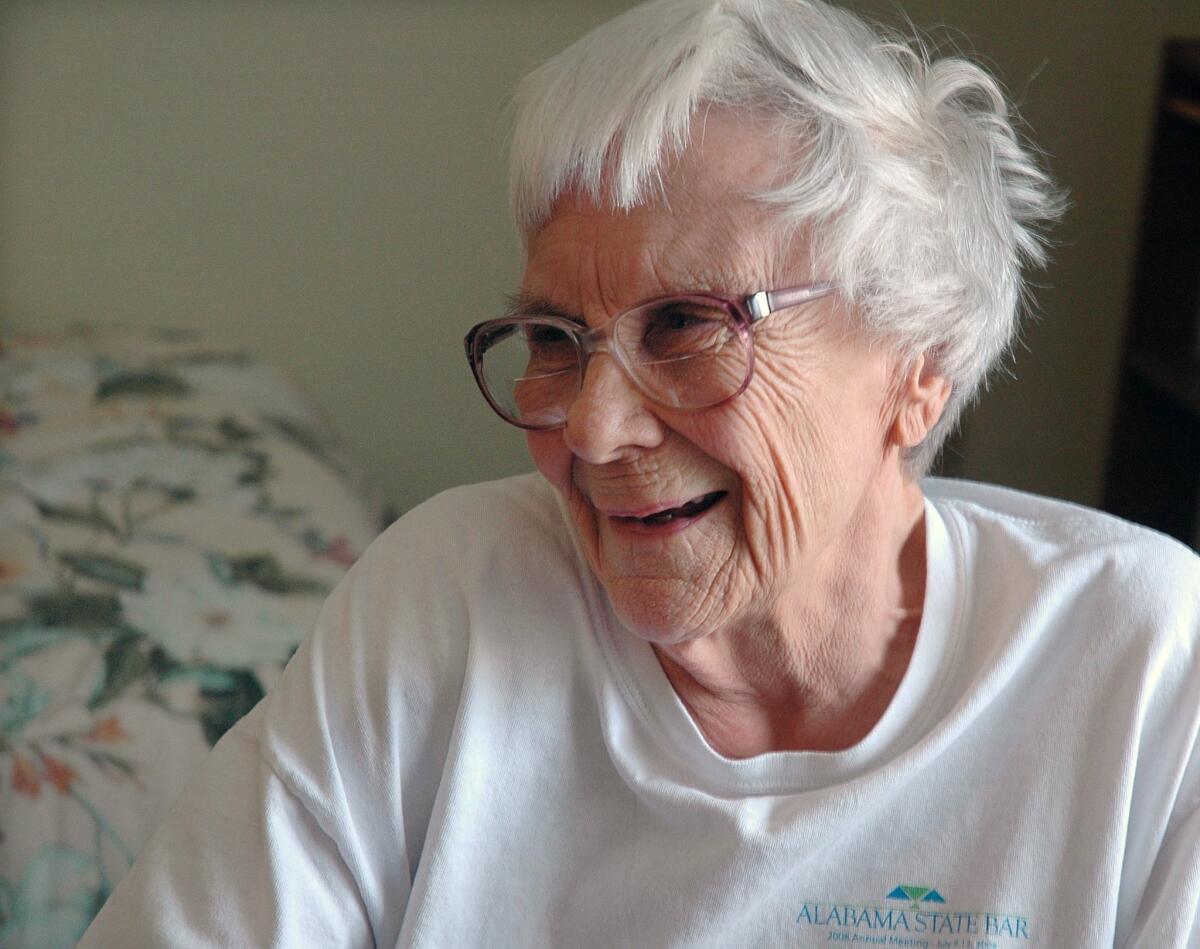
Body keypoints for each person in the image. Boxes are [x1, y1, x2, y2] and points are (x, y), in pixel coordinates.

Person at [81, 0, 1199, 945]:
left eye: (686, 324)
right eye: (558, 338)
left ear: (921, 366)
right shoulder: (448, 604)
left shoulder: (1146, 669)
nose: (596, 428)